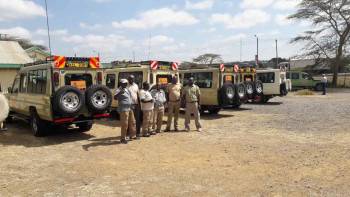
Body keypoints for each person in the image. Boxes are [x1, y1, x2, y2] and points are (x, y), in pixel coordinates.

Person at [114, 79, 136, 144]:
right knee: (124, 124)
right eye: (124, 83)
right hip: (123, 109)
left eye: (126, 83)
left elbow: (129, 97)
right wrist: (120, 93)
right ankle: (123, 138)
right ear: (120, 83)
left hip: (129, 108)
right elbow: (115, 97)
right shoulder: (118, 90)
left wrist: (132, 104)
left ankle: (132, 136)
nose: (126, 84)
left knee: (132, 122)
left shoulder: (127, 89)